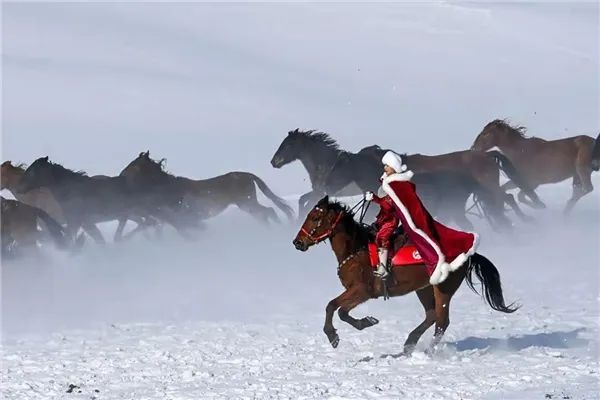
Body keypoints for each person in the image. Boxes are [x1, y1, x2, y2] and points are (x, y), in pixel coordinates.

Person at [365, 151, 479, 285]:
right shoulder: (390, 182)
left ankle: (384, 267)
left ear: (394, 168)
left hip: (400, 219)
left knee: (383, 236)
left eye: (387, 166)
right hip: (397, 218)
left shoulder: (397, 184)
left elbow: (390, 204)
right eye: (385, 166)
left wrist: (374, 199)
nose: (385, 168)